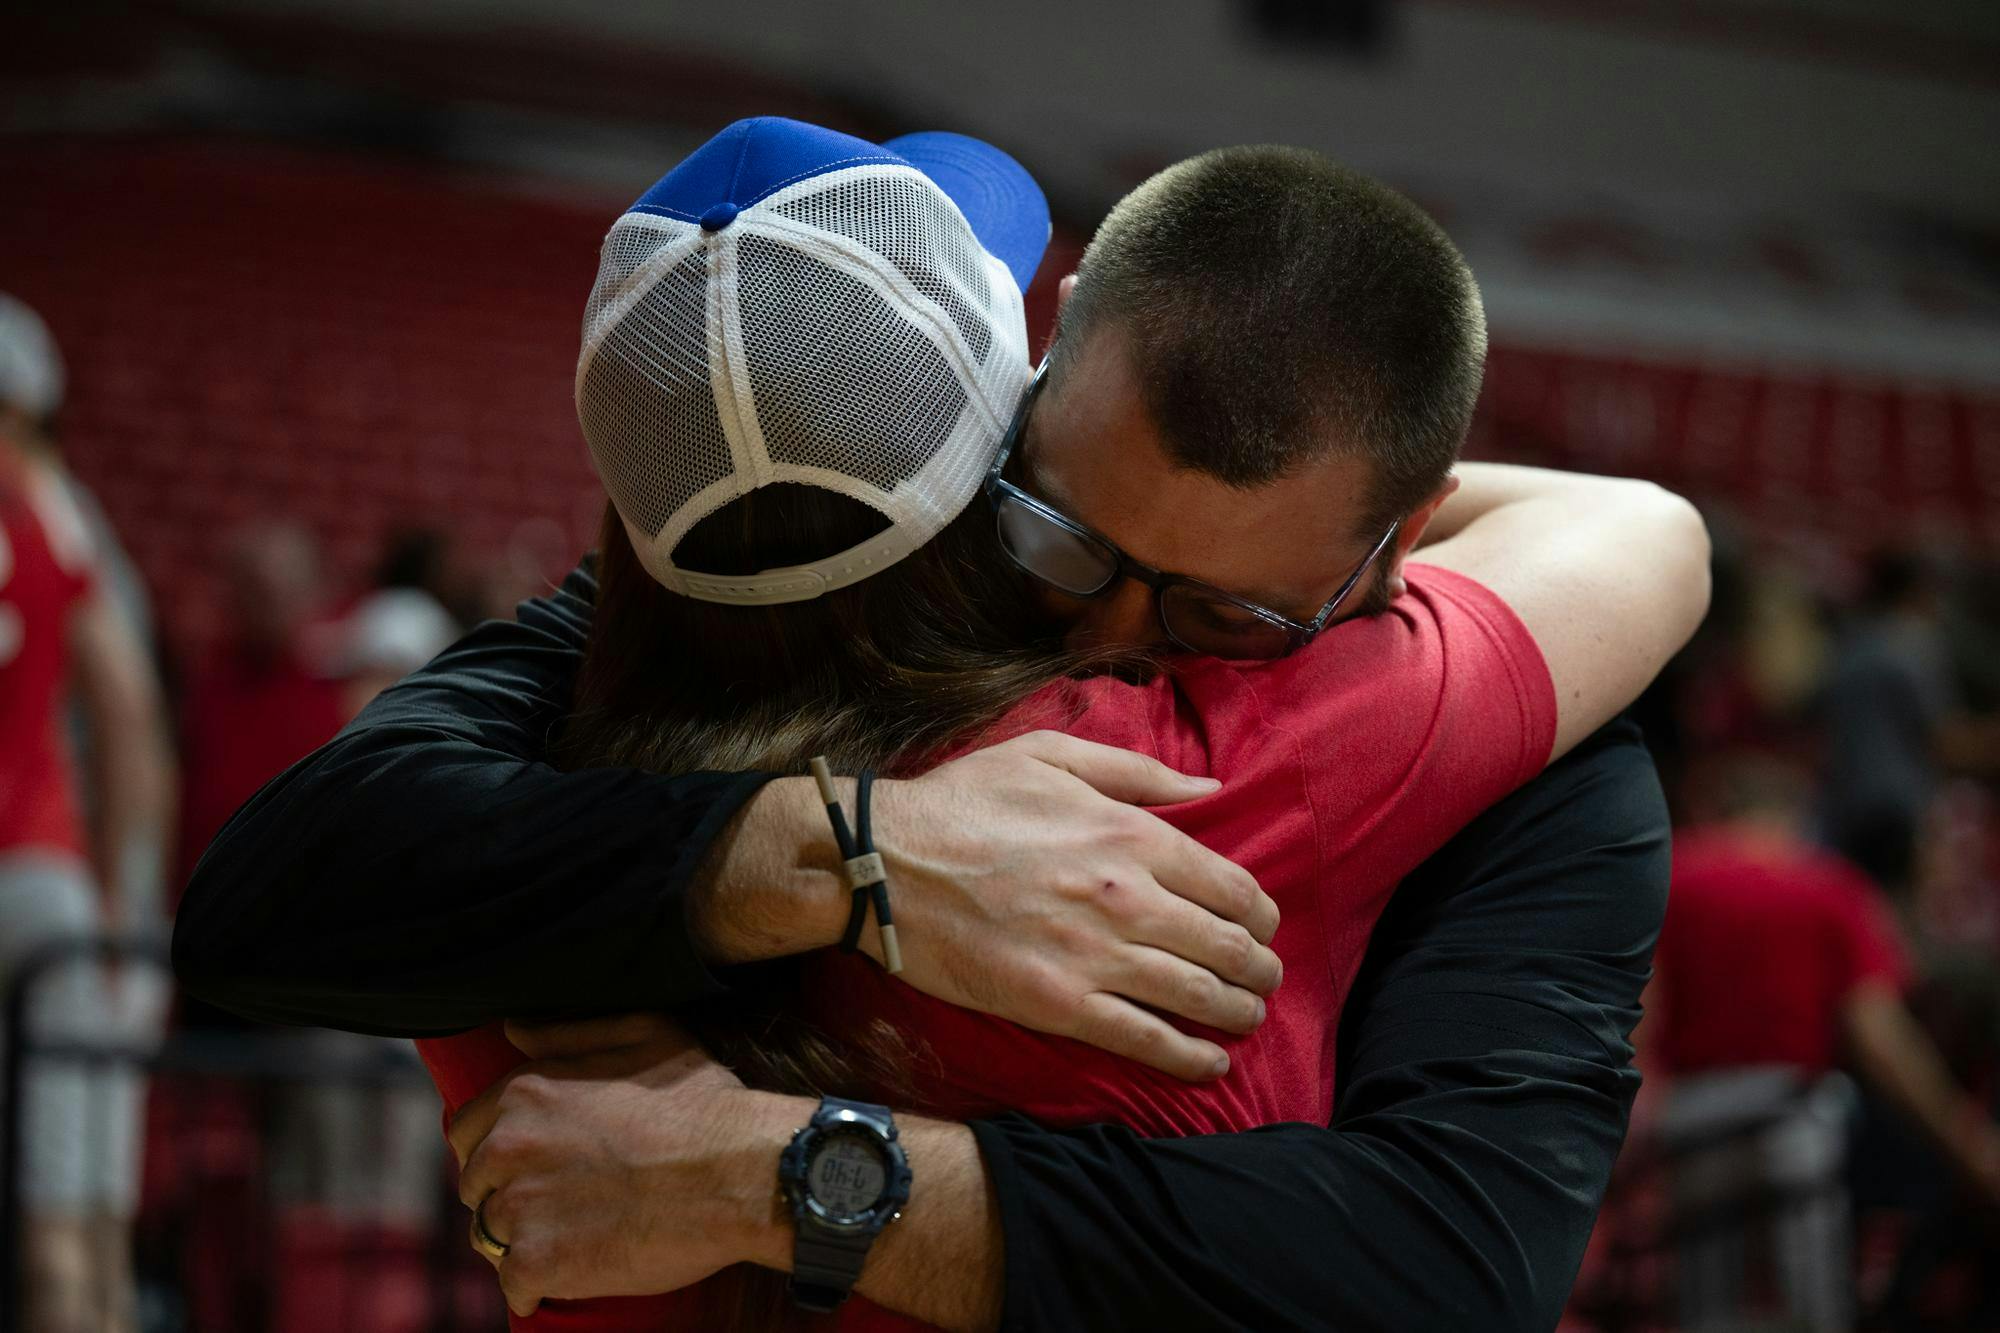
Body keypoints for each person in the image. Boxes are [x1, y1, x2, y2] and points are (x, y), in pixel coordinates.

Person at [176, 122, 1707, 1330]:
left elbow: (1448, 1261)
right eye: (1056, 535)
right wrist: (852, 852)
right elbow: (1649, 531)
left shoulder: (577, 743)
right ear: (998, 410)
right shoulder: (1238, 752)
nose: (1116, 630)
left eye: (1223, 619)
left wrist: (776, 1173)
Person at [1643, 755, 2000, 1331]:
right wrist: (1969, 1146)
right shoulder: (1829, 887)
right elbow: (1881, 1039)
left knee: (1702, 1308)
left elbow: (1639, 1016)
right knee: (1810, 1309)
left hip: (1690, 1122)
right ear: (1796, 815)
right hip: (1794, 1120)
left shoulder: (1670, 876)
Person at [0, 294, 174, 1333]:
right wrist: (126, 912)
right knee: (73, 1216)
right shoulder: (56, 507)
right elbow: (127, 714)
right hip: (45, 882)